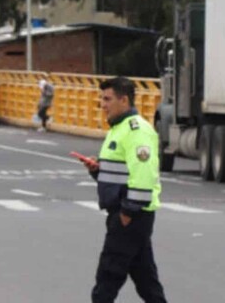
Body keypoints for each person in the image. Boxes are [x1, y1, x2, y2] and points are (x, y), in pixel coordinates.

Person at [81, 76, 167, 303]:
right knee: (147, 282)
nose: (103, 104)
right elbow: (120, 174)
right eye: (102, 98)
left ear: (124, 100)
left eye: (107, 99)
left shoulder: (136, 131)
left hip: (131, 215)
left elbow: (143, 176)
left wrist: (127, 213)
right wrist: (97, 171)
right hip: (127, 214)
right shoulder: (118, 128)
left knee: (107, 278)